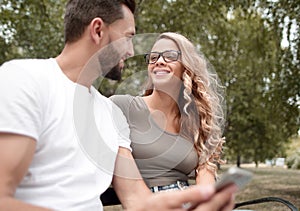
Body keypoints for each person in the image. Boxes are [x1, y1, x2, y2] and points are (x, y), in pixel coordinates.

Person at [0, 0, 237, 210]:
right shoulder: (24, 79)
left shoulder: (110, 113)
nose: (132, 50)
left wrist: (198, 201)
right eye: (128, 37)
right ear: (97, 30)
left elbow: (138, 201)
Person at [110, 32, 226, 192]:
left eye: (170, 56)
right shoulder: (123, 107)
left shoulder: (194, 120)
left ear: (186, 67)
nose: (159, 61)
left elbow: (205, 173)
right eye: (153, 57)